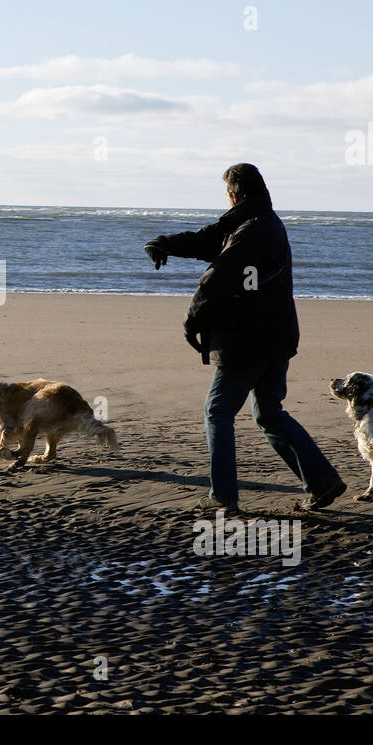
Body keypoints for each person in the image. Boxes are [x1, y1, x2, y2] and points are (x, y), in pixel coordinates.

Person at [143, 163, 345, 514]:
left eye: (226, 194)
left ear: (234, 194)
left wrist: (192, 323)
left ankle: (223, 495)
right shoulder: (258, 222)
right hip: (275, 339)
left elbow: (217, 280)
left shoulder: (252, 229)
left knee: (218, 411)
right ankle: (322, 482)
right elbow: (209, 239)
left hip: (247, 341)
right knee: (269, 412)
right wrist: (165, 244)